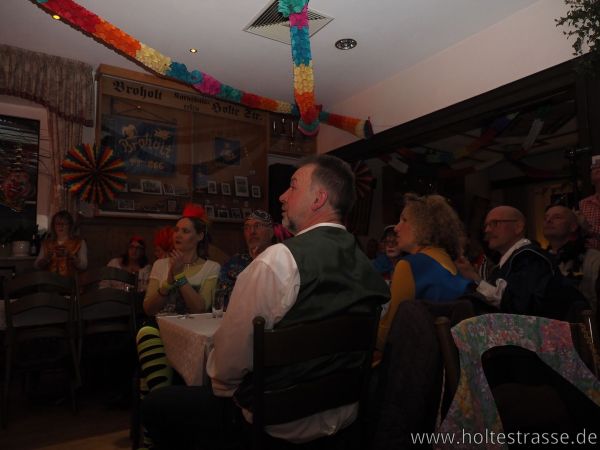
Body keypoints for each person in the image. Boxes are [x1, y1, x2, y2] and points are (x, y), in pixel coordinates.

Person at [142, 155, 390, 449]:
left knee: (157, 405)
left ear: (318, 199)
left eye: (293, 186)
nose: (282, 196)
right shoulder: (367, 267)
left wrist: (221, 385)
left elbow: (225, 369)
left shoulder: (279, 260)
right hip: (345, 419)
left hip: (273, 425)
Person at [376, 194, 472, 350]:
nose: (396, 228)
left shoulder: (408, 265)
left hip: (417, 358)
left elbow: (387, 334)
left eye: (404, 220)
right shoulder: (450, 264)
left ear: (423, 227)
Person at [457, 205, 582, 320]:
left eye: (495, 223)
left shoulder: (531, 259)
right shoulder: (505, 264)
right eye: (486, 225)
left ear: (518, 227)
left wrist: (474, 278)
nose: (487, 230)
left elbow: (521, 309)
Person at [143, 204, 220, 316]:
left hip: (193, 327)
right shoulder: (160, 264)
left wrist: (179, 276)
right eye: (176, 230)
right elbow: (148, 309)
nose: (177, 235)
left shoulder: (211, 268)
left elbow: (200, 310)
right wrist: (168, 284)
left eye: (185, 231)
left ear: (200, 236)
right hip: (160, 325)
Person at [543, 204, 600, 314]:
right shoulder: (541, 260)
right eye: (546, 218)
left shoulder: (593, 258)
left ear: (573, 226)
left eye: (557, 217)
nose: (548, 220)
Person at [217, 209, 274, 308]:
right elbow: (220, 301)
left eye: (258, 226)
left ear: (271, 232)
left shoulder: (281, 260)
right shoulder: (234, 263)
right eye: (247, 227)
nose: (252, 231)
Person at [34, 210, 87, 277]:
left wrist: (71, 256)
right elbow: (36, 266)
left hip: (70, 281)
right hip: (49, 280)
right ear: (53, 226)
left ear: (70, 226)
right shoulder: (46, 243)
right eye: (57, 223)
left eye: (64, 223)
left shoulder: (79, 242)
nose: (60, 226)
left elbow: (83, 266)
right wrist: (45, 260)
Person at [579, 155, 600, 250]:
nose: (597, 167)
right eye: (594, 168)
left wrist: (589, 228)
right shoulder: (583, 204)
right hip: (589, 256)